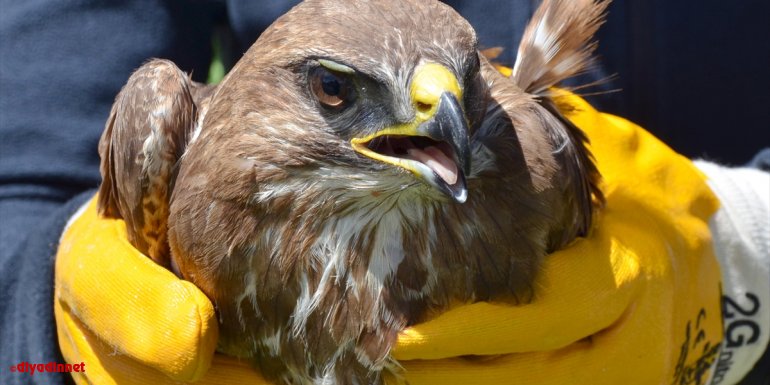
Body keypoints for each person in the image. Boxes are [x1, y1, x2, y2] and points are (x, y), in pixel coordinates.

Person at [1, 1, 768, 384]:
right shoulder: (170, 136)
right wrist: (50, 332)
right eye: (336, 92)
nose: (445, 123)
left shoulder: (524, 159)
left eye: (463, 96)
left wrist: (744, 258)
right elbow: (18, 179)